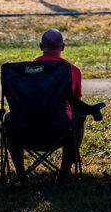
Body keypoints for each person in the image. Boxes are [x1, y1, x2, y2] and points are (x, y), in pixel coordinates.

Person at [7, 29, 102, 181]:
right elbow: (75, 101)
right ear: (63, 47)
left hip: (24, 130)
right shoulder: (73, 70)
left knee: (8, 117)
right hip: (59, 131)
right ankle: (65, 172)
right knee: (77, 117)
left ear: (40, 46)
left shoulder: (26, 71)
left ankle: (20, 173)